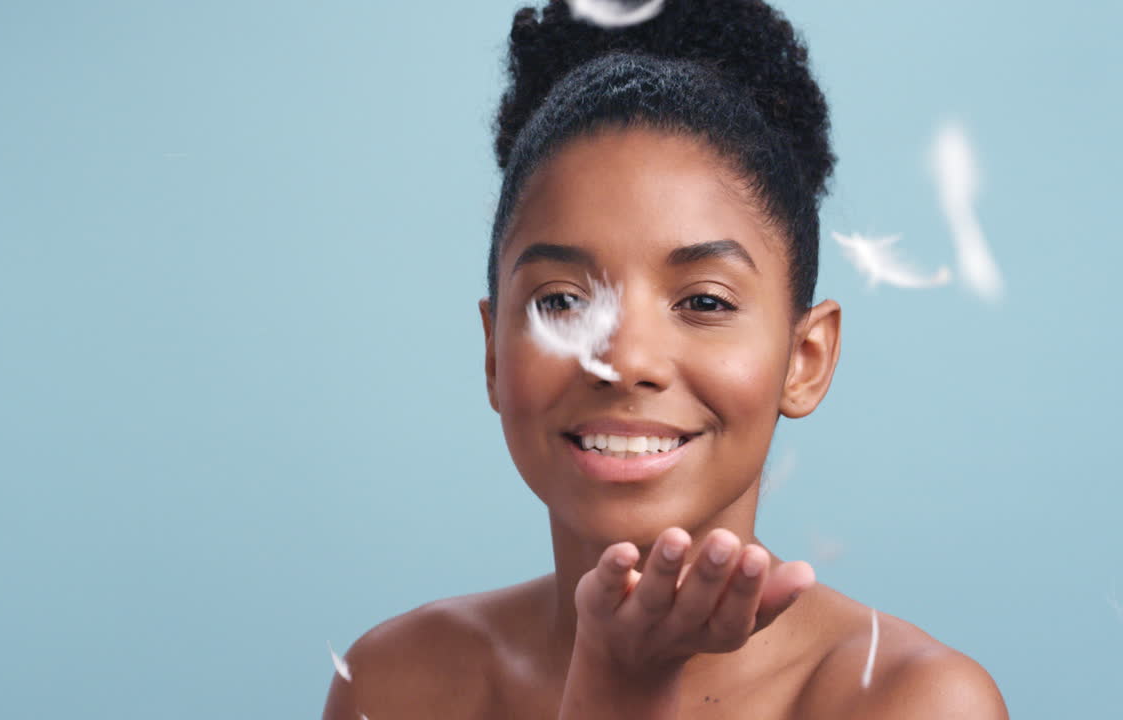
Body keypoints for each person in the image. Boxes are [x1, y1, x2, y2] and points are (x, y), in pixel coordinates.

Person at [324, 1, 1008, 717]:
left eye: (704, 302)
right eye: (561, 301)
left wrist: (626, 684)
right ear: (494, 352)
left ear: (804, 359)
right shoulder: (397, 685)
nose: (624, 359)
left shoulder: (909, 700)